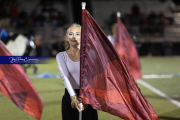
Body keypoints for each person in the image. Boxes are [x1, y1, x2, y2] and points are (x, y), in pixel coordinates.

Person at [56, 23, 98, 120]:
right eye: (71, 34)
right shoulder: (61, 56)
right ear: (66, 37)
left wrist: (86, 96)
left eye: (77, 34)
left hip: (88, 95)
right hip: (70, 97)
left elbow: (92, 77)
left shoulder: (91, 53)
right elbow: (65, 76)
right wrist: (73, 96)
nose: (74, 37)